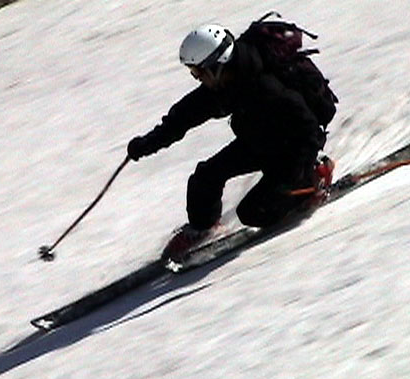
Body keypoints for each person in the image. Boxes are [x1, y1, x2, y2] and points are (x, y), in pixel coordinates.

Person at [127, 22, 336, 257]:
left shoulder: (266, 86)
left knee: (254, 212)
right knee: (205, 177)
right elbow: (184, 116)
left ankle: (313, 179)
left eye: (198, 72)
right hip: (259, 139)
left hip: (292, 148)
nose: (197, 78)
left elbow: (307, 127)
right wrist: (146, 144)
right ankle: (203, 229)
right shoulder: (225, 83)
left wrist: (298, 171)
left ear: (216, 65)